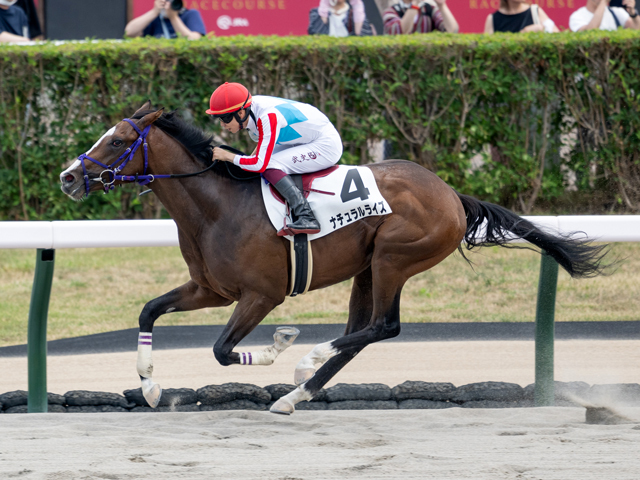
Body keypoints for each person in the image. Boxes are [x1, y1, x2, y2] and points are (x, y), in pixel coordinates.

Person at [208, 82, 343, 236]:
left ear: (240, 113)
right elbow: (257, 154)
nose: (222, 125)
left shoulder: (267, 116)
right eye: (218, 119)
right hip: (305, 139)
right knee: (259, 163)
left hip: (325, 145)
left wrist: (228, 156)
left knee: (269, 165)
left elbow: (259, 164)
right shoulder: (250, 109)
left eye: (224, 119)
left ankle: (306, 216)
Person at [125, 0, 205, 40]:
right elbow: (129, 32)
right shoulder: (155, 18)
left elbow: (194, 40)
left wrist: (173, 17)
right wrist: (155, 11)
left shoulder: (190, 14)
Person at [383, 0, 459, 34]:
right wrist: (415, 4)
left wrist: (441, 5)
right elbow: (399, 31)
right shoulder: (391, 11)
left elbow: (452, 31)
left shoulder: (429, 9)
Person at [485, 0, 559, 33]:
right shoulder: (493, 19)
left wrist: (542, 28)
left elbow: (556, 35)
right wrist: (524, 32)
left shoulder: (535, 11)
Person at [308, 0, 374, 36]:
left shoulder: (354, 15)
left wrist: (357, 7)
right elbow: (315, 33)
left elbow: (364, 36)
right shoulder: (316, 13)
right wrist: (324, 9)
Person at [569, 0, 640, 31]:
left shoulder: (616, 11)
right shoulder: (577, 16)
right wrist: (603, 2)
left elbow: (637, 30)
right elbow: (589, 33)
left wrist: (633, 13)